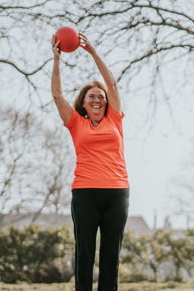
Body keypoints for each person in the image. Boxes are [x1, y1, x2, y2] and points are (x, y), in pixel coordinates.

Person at [51, 33, 129, 291]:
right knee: (84, 252)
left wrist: (93, 52)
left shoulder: (114, 119)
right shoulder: (76, 123)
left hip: (117, 192)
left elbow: (113, 85)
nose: (97, 99)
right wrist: (57, 59)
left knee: (111, 256)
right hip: (85, 192)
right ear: (83, 103)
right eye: (91, 97)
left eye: (101, 96)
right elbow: (57, 95)